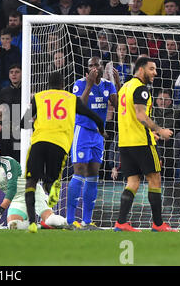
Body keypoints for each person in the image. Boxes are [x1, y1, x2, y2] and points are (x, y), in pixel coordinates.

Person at [21, 71, 106, 233]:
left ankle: (32, 222)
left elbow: (23, 122)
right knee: (53, 179)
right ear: (63, 84)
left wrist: (37, 125)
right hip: (59, 145)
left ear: (47, 84)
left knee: (31, 182)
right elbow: (92, 115)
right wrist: (101, 129)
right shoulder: (70, 98)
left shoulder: (39, 97)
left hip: (39, 142)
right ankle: (52, 185)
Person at [114, 57, 177, 232]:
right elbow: (141, 116)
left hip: (125, 142)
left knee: (133, 182)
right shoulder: (141, 89)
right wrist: (160, 130)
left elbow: (129, 116)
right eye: (152, 69)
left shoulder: (125, 87)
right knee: (155, 179)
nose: (155, 73)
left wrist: (152, 132)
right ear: (141, 69)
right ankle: (158, 224)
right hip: (141, 142)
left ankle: (121, 222)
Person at [66, 56, 119, 230]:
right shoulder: (80, 83)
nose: (94, 68)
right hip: (82, 132)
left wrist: (117, 83)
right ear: (87, 69)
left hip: (98, 135)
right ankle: (69, 220)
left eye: (97, 65)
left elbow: (117, 106)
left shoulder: (107, 85)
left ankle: (87, 221)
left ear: (102, 67)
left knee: (93, 175)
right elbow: (79, 105)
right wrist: (89, 84)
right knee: (79, 171)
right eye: (91, 66)